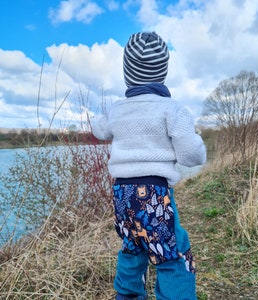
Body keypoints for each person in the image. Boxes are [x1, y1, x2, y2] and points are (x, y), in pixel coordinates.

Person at [91, 31, 206, 300]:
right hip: (154, 194)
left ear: (126, 73)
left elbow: (98, 130)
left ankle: (128, 296)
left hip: (121, 194)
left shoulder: (118, 109)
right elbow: (192, 156)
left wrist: (102, 117)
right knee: (171, 253)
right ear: (163, 72)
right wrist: (197, 139)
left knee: (132, 246)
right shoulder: (172, 109)